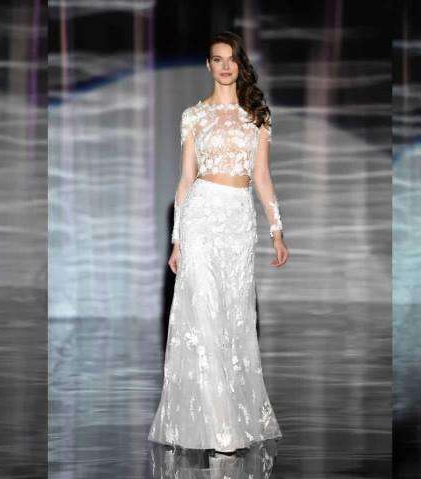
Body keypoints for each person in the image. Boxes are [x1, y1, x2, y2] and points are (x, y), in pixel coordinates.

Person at [148, 31, 287, 453]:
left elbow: (261, 176)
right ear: (208, 65)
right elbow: (185, 179)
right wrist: (177, 240)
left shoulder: (257, 115)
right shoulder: (194, 116)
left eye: (231, 59)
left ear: (240, 64)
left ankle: (232, 414)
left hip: (238, 219)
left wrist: (276, 230)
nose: (225, 66)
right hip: (201, 215)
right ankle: (222, 427)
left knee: (234, 317)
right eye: (217, 59)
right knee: (205, 316)